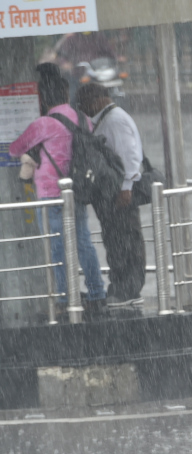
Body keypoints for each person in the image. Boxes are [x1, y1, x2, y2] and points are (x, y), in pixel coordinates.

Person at [9, 63, 106, 318]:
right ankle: (97, 293)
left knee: (56, 247)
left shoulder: (43, 123)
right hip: (77, 191)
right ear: (65, 94)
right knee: (83, 242)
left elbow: (15, 148)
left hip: (51, 193)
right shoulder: (82, 118)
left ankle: (65, 296)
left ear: (44, 98)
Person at [76, 82, 146, 305]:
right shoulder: (107, 119)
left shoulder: (115, 120)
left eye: (84, 103)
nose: (84, 109)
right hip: (111, 193)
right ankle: (121, 286)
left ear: (97, 99)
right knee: (116, 240)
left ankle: (128, 290)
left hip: (119, 192)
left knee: (125, 240)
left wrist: (127, 187)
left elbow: (130, 155)